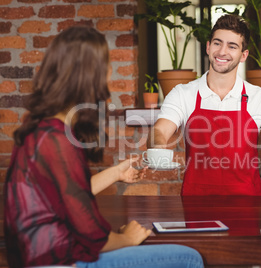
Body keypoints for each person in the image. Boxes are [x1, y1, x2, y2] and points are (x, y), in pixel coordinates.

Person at [3, 26, 204, 268]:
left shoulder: (43, 130)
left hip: (43, 257)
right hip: (59, 261)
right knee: (189, 258)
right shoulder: (56, 140)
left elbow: (66, 193)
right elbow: (92, 236)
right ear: (89, 76)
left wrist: (117, 173)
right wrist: (127, 238)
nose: (110, 74)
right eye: (106, 66)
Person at [147, 14, 261, 196]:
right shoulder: (183, 94)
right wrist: (158, 148)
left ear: (243, 55)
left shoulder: (259, 98)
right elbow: (159, 131)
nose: (222, 52)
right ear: (208, 46)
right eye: (217, 43)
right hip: (195, 203)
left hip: (247, 205)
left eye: (232, 46)